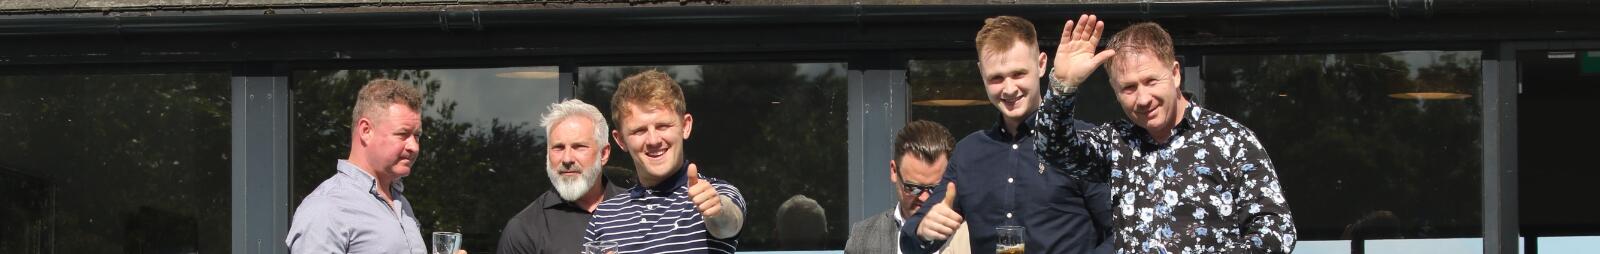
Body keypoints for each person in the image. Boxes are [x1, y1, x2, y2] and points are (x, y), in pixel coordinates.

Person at [1036, 14, 1297, 253]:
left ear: (1174, 74)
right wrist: (1063, 84)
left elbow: (1277, 231)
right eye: (1128, 88)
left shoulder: (1232, 140)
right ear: (1115, 92)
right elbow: (1052, 148)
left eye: (1151, 81)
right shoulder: (1117, 142)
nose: (1143, 98)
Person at [903, 15, 1114, 254]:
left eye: (1018, 74)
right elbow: (911, 239)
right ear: (981, 73)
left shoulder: (1082, 142)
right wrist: (924, 230)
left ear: (1041, 64)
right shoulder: (968, 153)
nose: (1009, 88)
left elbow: (1121, 233)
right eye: (996, 78)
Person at [585, 70, 747, 253]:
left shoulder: (714, 194)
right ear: (621, 140)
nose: (653, 140)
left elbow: (728, 224)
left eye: (663, 126)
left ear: (685, 126)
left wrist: (717, 211)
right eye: (639, 131)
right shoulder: (605, 215)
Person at [286, 79, 434, 254]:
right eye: (403, 134)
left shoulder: (401, 204)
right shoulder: (327, 207)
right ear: (366, 130)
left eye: (417, 136)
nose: (414, 146)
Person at [496, 99, 628, 254]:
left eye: (579, 147)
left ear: (604, 153)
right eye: (558, 147)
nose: (567, 159)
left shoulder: (639, 213)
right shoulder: (524, 229)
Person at [846, 120, 955, 254]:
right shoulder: (863, 239)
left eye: (936, 188)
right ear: (894, 171)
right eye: (913, 188)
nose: (925, 198)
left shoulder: (969, 234)